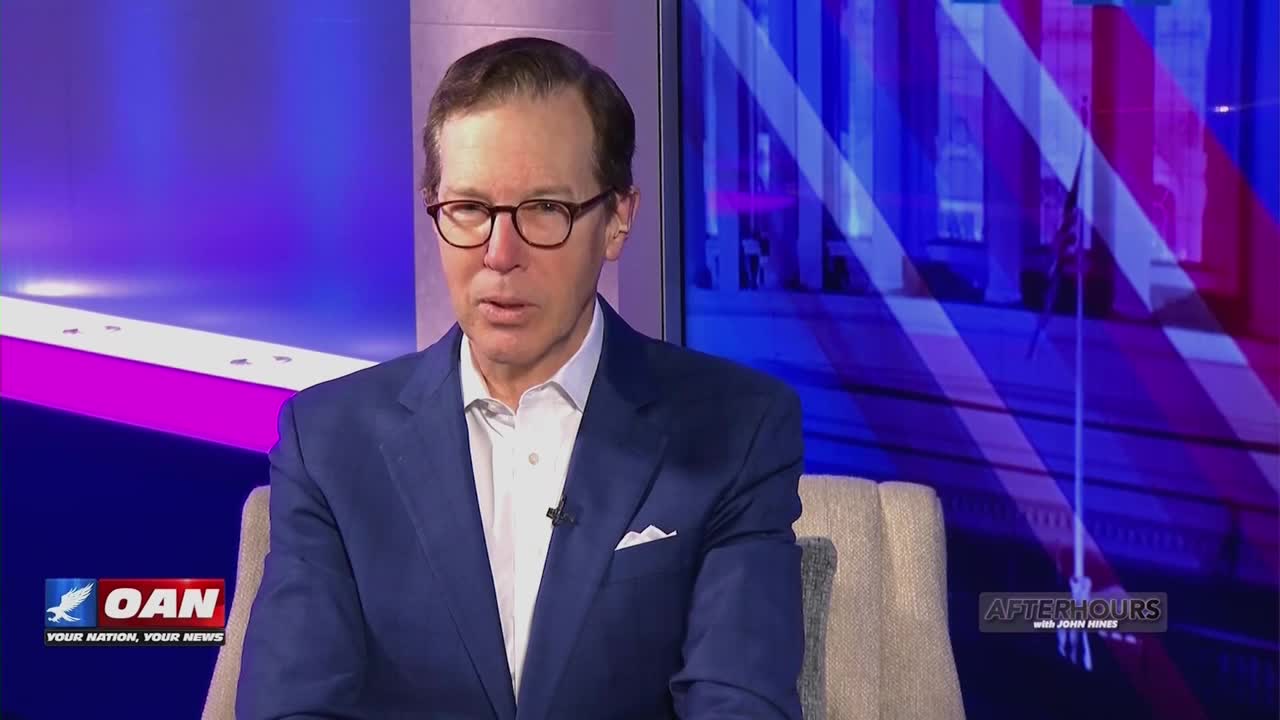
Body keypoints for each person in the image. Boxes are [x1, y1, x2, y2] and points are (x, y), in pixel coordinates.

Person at [237, 36, 805, 719]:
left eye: (544, 210)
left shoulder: (735, 429)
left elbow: (736, 705)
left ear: (617, 219)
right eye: (470, 210)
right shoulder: (329, 442)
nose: (500, 256)